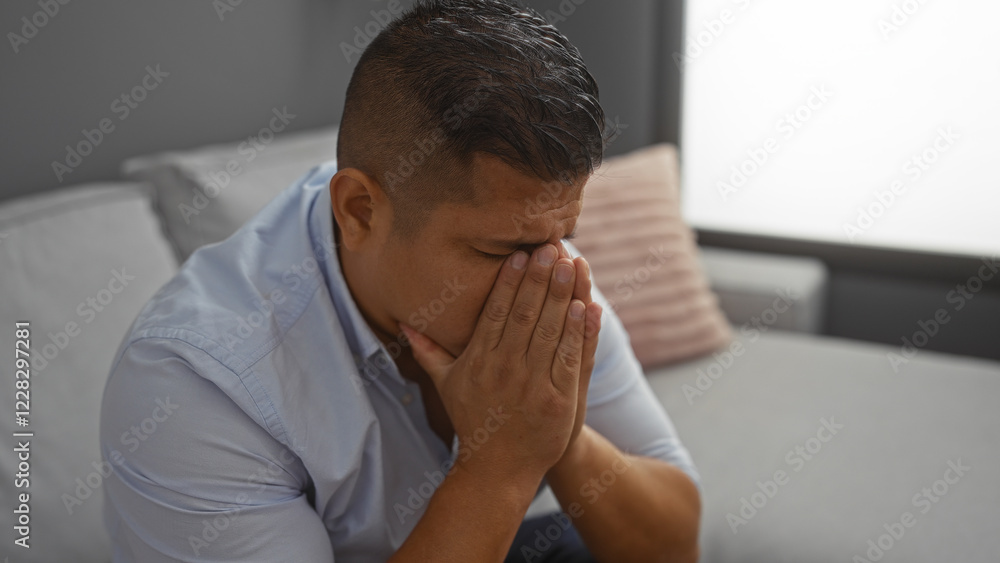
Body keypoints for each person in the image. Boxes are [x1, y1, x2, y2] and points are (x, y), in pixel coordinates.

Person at [99, 1, 702, 561]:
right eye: (498, 250)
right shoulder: (194, 380)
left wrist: (556, 436)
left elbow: (675, 547)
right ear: (359, 212)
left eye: (562, 236)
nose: (549, 276)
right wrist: (501, 463)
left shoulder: (543, 258)